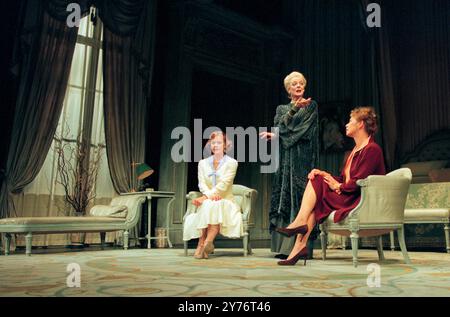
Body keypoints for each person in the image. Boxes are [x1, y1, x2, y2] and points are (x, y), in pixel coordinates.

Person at [275, 106, 386, 265]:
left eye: (351, 121)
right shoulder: (353, 151)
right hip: (349, 194)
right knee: (317, 179)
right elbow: (344, 178)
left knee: (317, 186)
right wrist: (325, 175)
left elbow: (358, 182)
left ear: (361, 124)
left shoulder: (372, 149)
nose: (347, 125)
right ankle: (298, 247)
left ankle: (299, 227)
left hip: (360, 199)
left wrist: (339, 187)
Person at [260, 71, 319, 259]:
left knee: (302, 196)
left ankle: (302, 246)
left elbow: (302, 131)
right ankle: (284, 248)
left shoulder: (311, 106)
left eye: (301, 83)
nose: (299, 86)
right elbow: (282, 127)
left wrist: (279, 134)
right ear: (288, 88)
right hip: (285, 158)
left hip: (303, 156)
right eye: (294, 84)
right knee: (284, 195)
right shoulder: (281, 109)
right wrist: (290, 115)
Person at [183, 131, 242, 259]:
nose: (215, 145)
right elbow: (202, 184)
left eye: (219, 142)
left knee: (211, 204)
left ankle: (203, 243)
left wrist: (205, 197)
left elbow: (224, 185)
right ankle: (206, 243)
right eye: (213, 142)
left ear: (225, 145)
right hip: (210, 202)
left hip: (226, 202)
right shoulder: (202, 163)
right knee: (211, 204)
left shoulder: (232, 163)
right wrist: (209, 196)